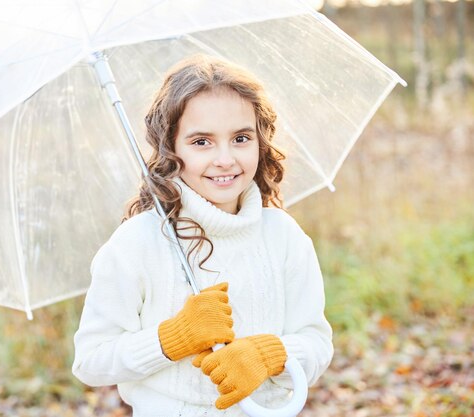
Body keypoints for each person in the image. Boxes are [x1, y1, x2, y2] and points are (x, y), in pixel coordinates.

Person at [72, 54, 333, 417]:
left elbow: (317, 344)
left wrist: (270, 355)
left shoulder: (283, 236)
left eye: (241, 138)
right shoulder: (138, 243)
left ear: (261, 141)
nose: (225, 159)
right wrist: (172, 338)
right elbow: (91, 360)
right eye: (201, 142)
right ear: (170, 148)